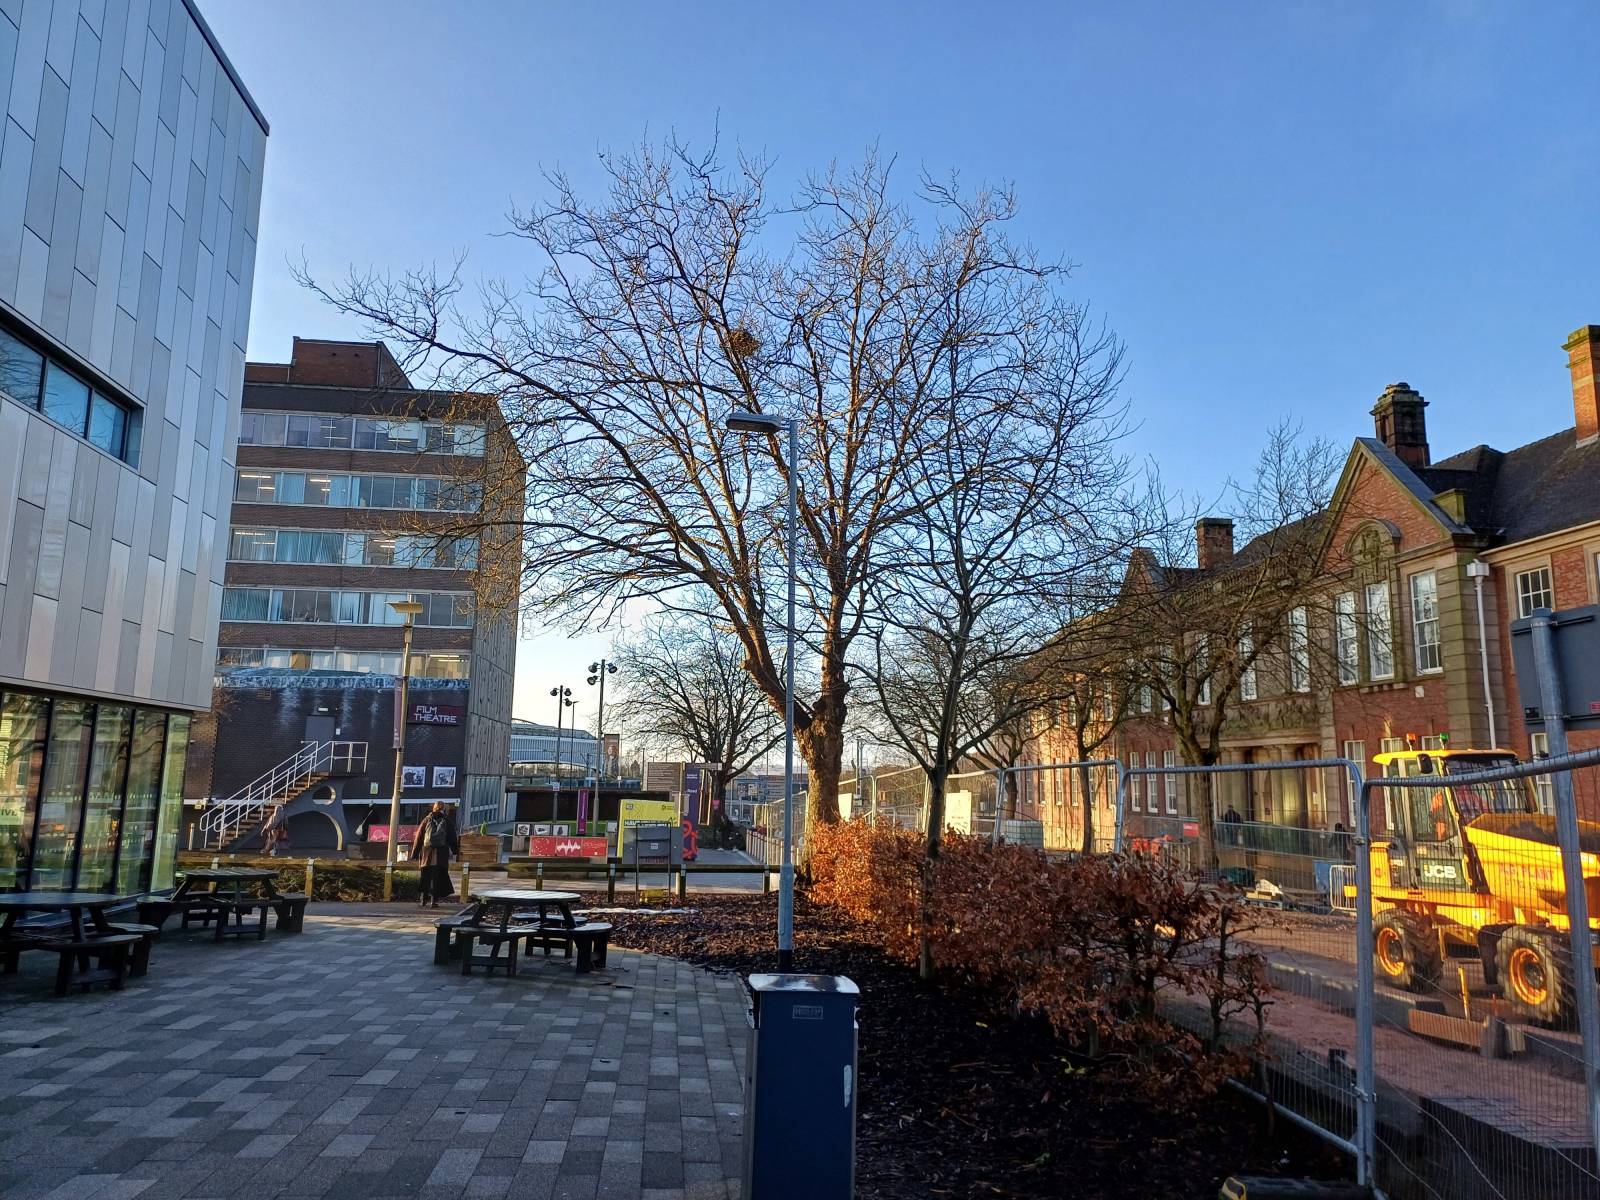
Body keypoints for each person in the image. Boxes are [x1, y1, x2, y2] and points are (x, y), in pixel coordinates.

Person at [411, 801, 460, 908]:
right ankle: (433, 901)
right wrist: (456, 851)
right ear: (444, 809)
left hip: (426, 855)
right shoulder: (447, 821)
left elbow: (419, 838)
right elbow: (452, 838)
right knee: (437, 878)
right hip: (441, 855)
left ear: (433, 808)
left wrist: (414, 853)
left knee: (425, 877)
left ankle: (423, 900)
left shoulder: (426, 820)